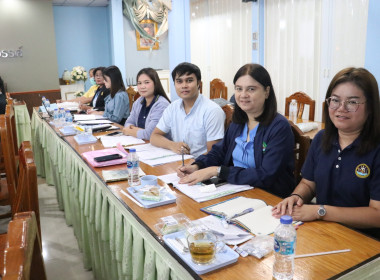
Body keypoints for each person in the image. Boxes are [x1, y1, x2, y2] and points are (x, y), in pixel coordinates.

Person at [272, 67, 380, 238]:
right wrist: (296, 196)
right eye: (335, 100)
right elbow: (309, 184)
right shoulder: (322, 138)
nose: (341, 108)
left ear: (371, 107)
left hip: (366, 242)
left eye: (352, 102)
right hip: (323, 232)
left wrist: (321, 212)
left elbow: (377, 215)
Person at [177, 63, 295, 198]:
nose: (243, 95)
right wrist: (197, 165)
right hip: (235, 189)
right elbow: (219, 152)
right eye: (239, 89)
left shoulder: (279, 127)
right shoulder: (239, 122)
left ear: (266, 91)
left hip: (269, 196)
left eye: (251, 89)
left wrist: (218, 171)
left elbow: (266, 175)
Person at [150, 62, 225, 158]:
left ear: (199, 83)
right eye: (179, 81)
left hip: (201, 166)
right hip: (178, 162)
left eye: (189, 80)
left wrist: (193, 166)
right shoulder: (172, 107)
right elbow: (154, 137)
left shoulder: (212, 111)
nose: (184, 85)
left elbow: (213, 154)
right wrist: (172, 145)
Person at [123, 68, 170, 140]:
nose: (142, 86)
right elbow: (128, 123)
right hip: (142, 144)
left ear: (155, 83)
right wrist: (139, 131)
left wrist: (130, 131)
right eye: (139, 83)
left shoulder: (161, 104)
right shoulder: (138, 102)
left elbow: (150, 134)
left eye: (147, 82)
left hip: (158, 148)